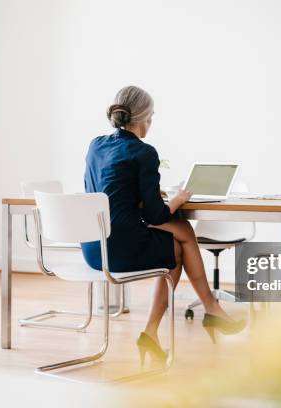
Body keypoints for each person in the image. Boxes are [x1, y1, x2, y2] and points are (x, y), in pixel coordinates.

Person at [82, 85, 245, 363]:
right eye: (152, 116)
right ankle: (208, 310)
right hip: (121, 248)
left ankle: (163, 329)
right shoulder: (143, 152)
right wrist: (179, 199)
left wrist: (141, 198)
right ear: (145, 118)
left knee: (183, 232)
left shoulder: (96, 145)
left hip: (93, 247)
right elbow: (157, 217)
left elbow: (100, 191)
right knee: (178, 248)